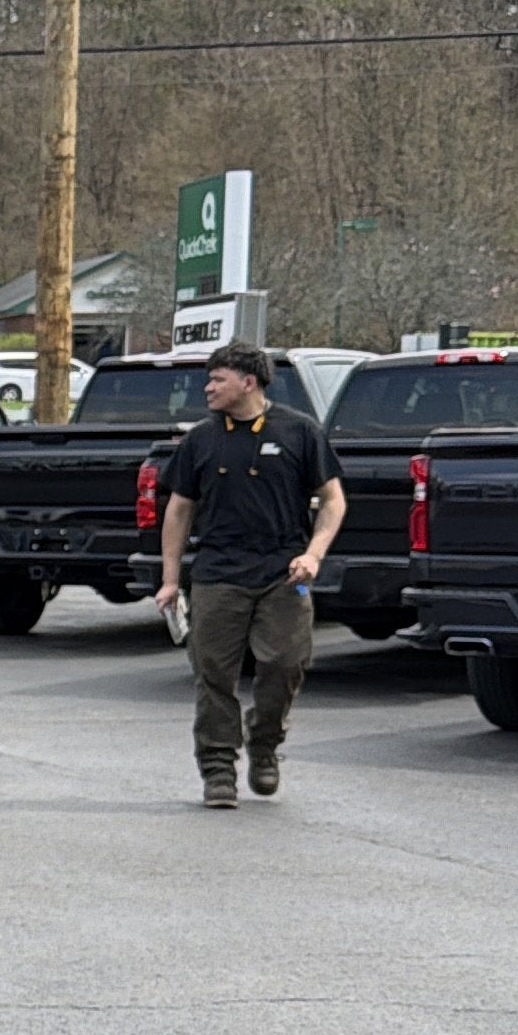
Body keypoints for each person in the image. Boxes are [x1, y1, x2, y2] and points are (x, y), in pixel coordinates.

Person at [149, 343, 344, 809]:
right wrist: (171, 580)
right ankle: (218, 769)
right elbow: (178, 511)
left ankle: (264, 742)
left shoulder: (300, 432)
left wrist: (314, 555)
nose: (208, 388)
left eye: (218, 379)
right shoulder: (200, 439)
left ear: (248, 382)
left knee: (285, 664)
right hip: (218, 571)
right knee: (213, 674)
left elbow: (333, 500)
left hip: (284, 571)